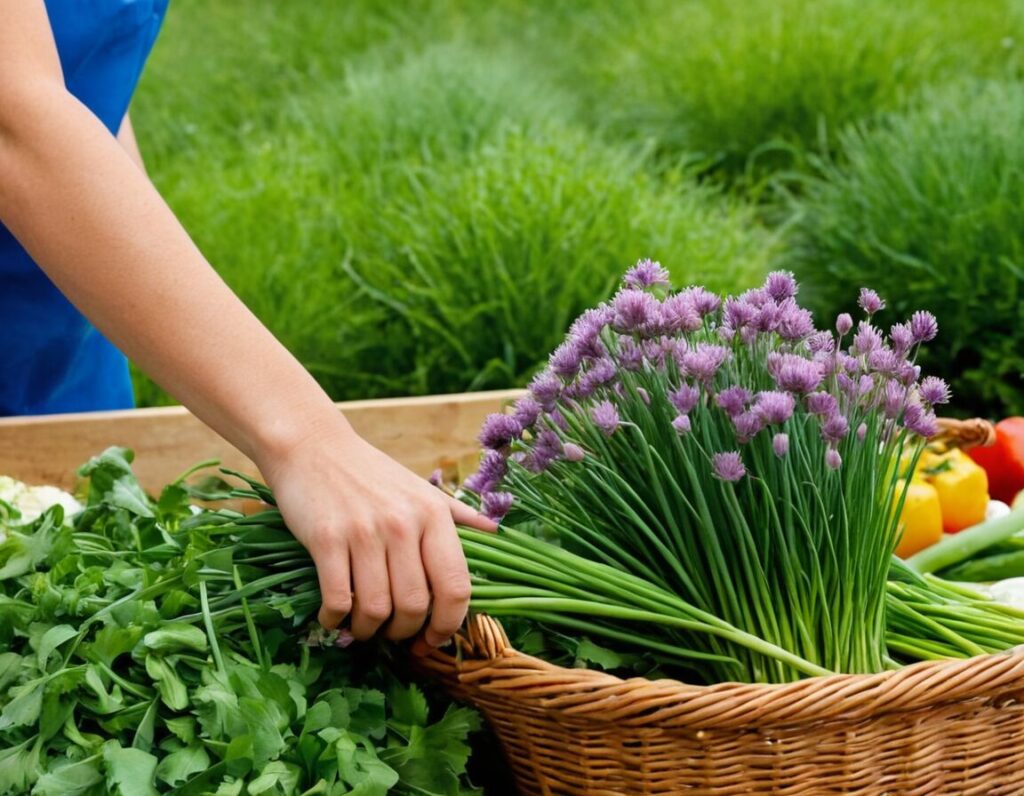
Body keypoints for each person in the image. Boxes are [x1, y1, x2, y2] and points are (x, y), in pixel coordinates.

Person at [0, 1, 495, 648]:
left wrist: (157, 293)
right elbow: (13, 122)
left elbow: (78, 67)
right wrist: (310, 443)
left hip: (65, 340)